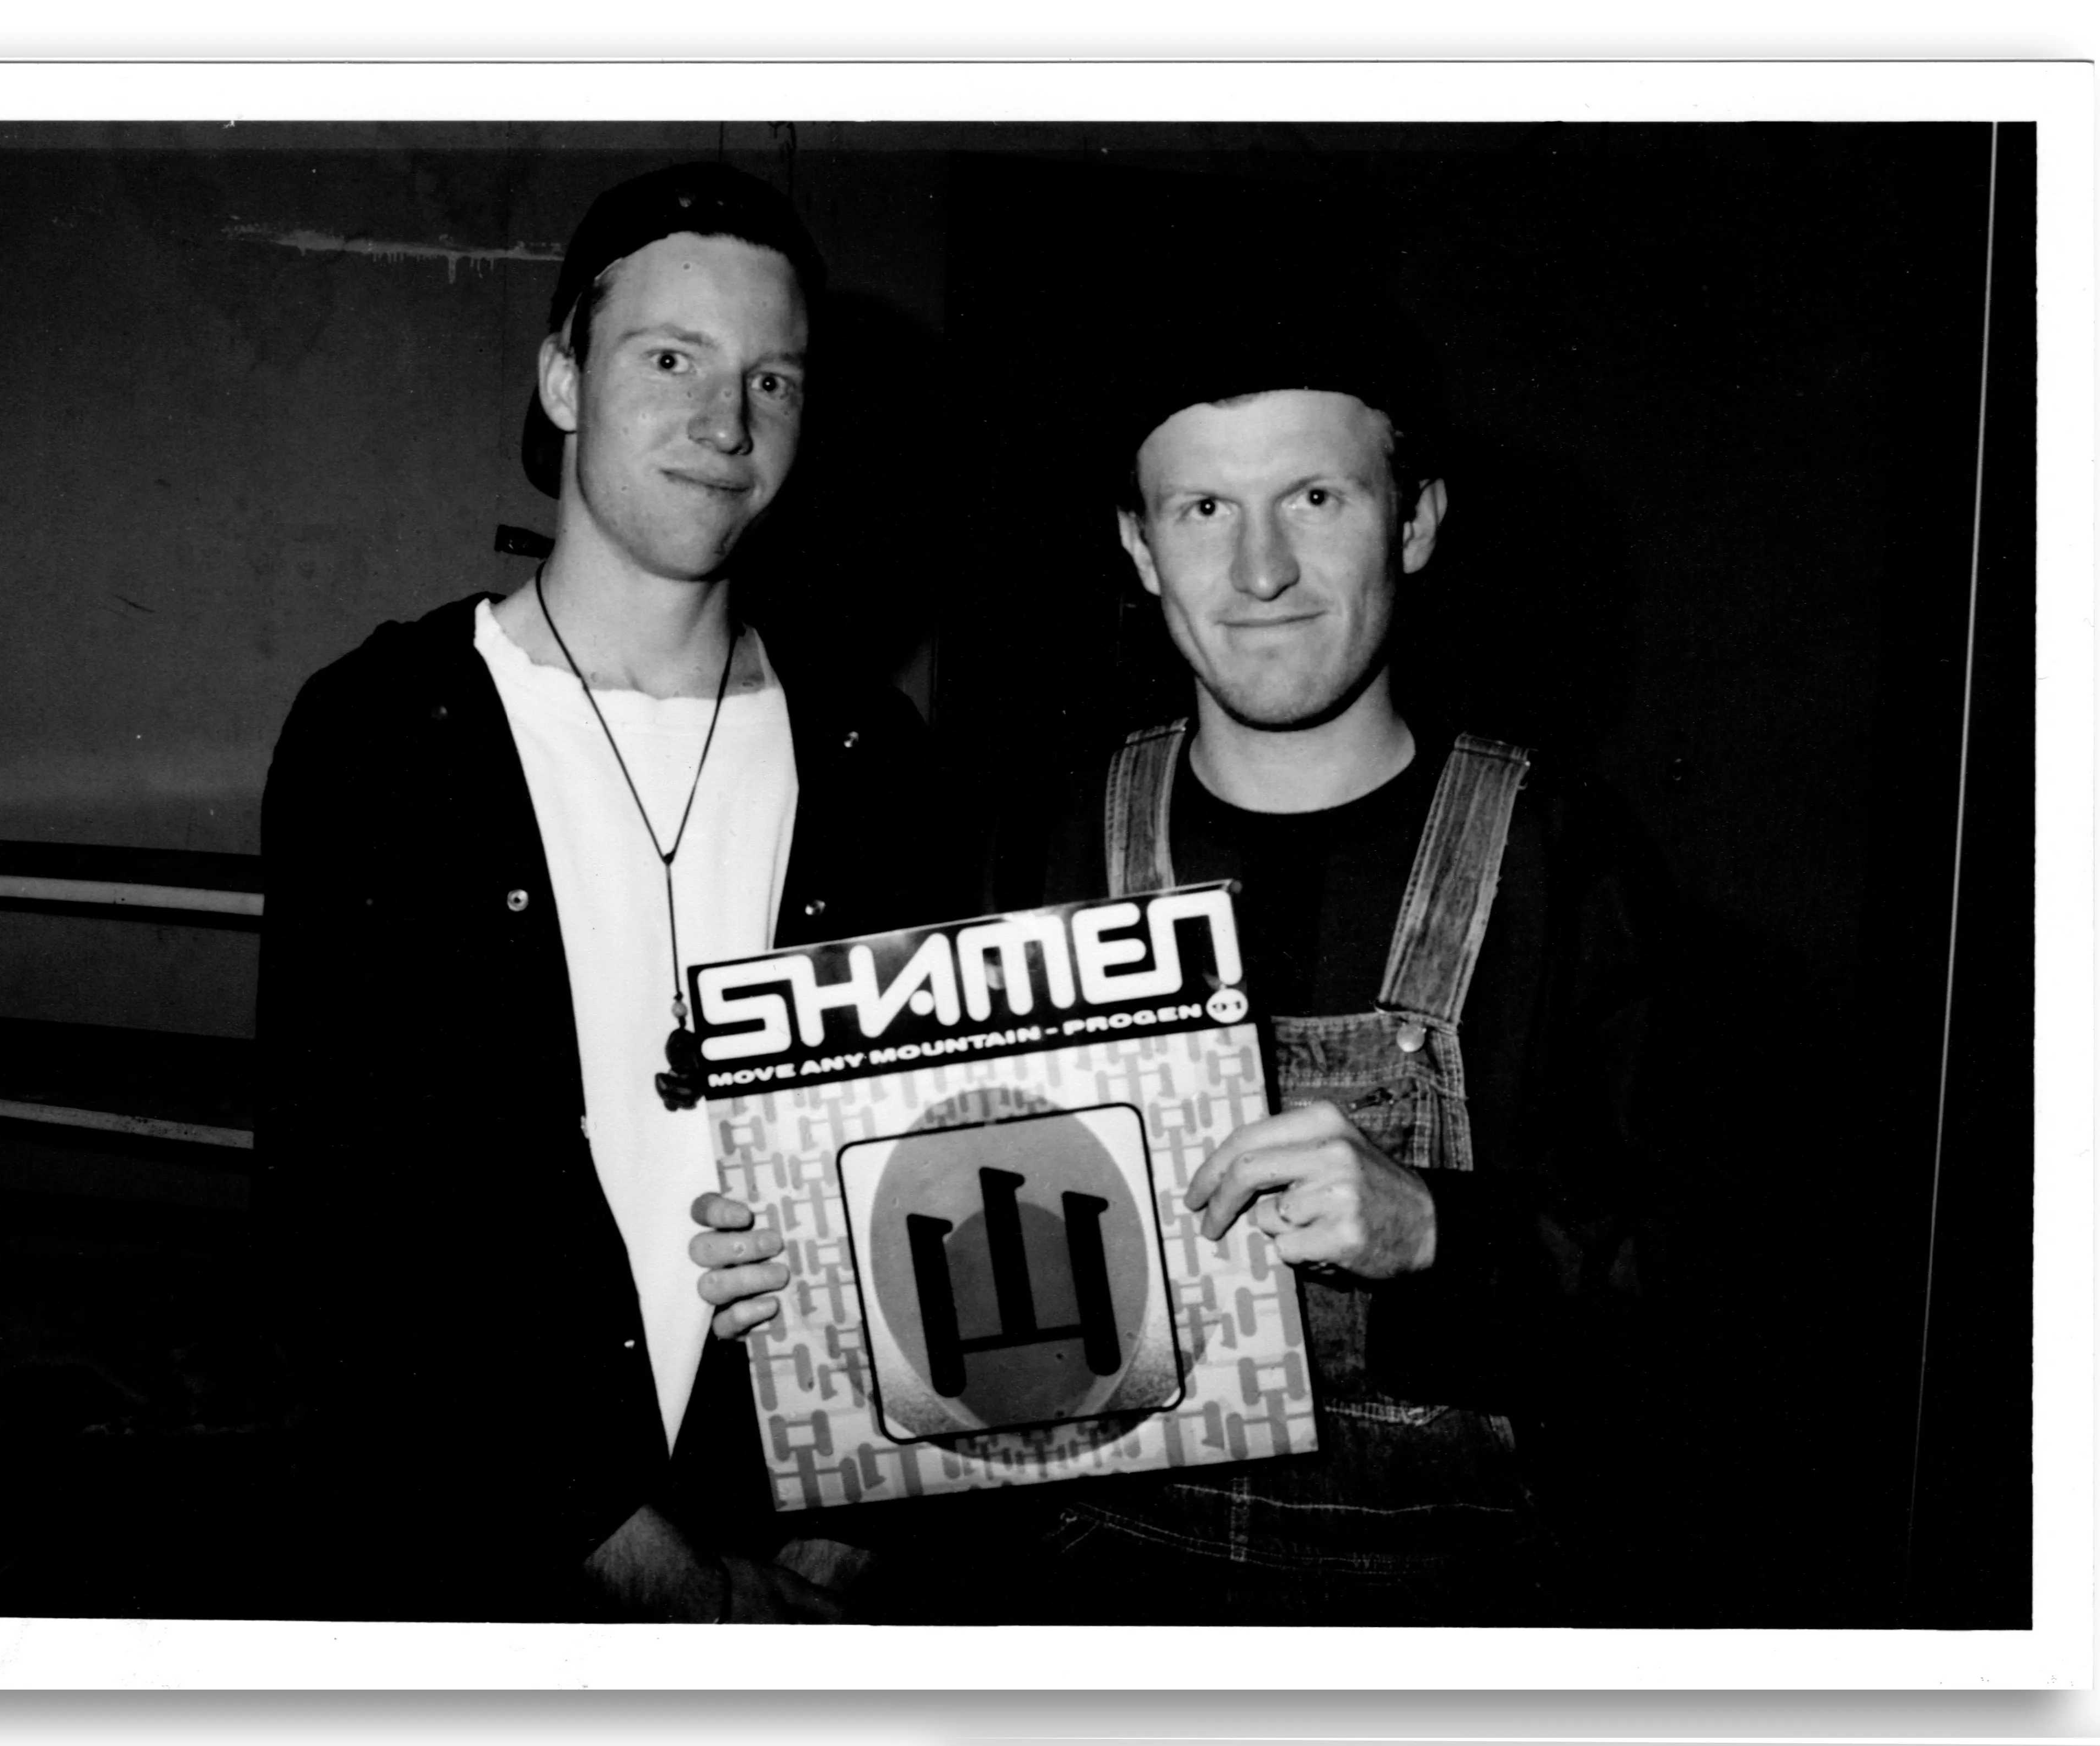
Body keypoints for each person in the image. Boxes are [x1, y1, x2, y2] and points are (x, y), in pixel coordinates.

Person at [695, 282, 1686, 1626]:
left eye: (1315, 499)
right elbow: (954, 1288)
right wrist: (809, 1267)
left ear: (1415, 521)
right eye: (1204, 509)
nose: (1259, 571)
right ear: (1140, 546)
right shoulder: (1030, 848)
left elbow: (1722, 1299)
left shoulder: (1566, 861)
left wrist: (1440, 1233)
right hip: (1083, 1607)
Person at [254, 163, 946, 1623]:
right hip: (488, 1572)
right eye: (671, 360)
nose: (725, 424)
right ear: (563, 377)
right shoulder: (386, 735)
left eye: (772, 379)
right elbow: (343, 1228)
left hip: (809, 1568)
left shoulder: (875, 759)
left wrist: (849, 1548)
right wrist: (661, 1577)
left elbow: (928, 1188)